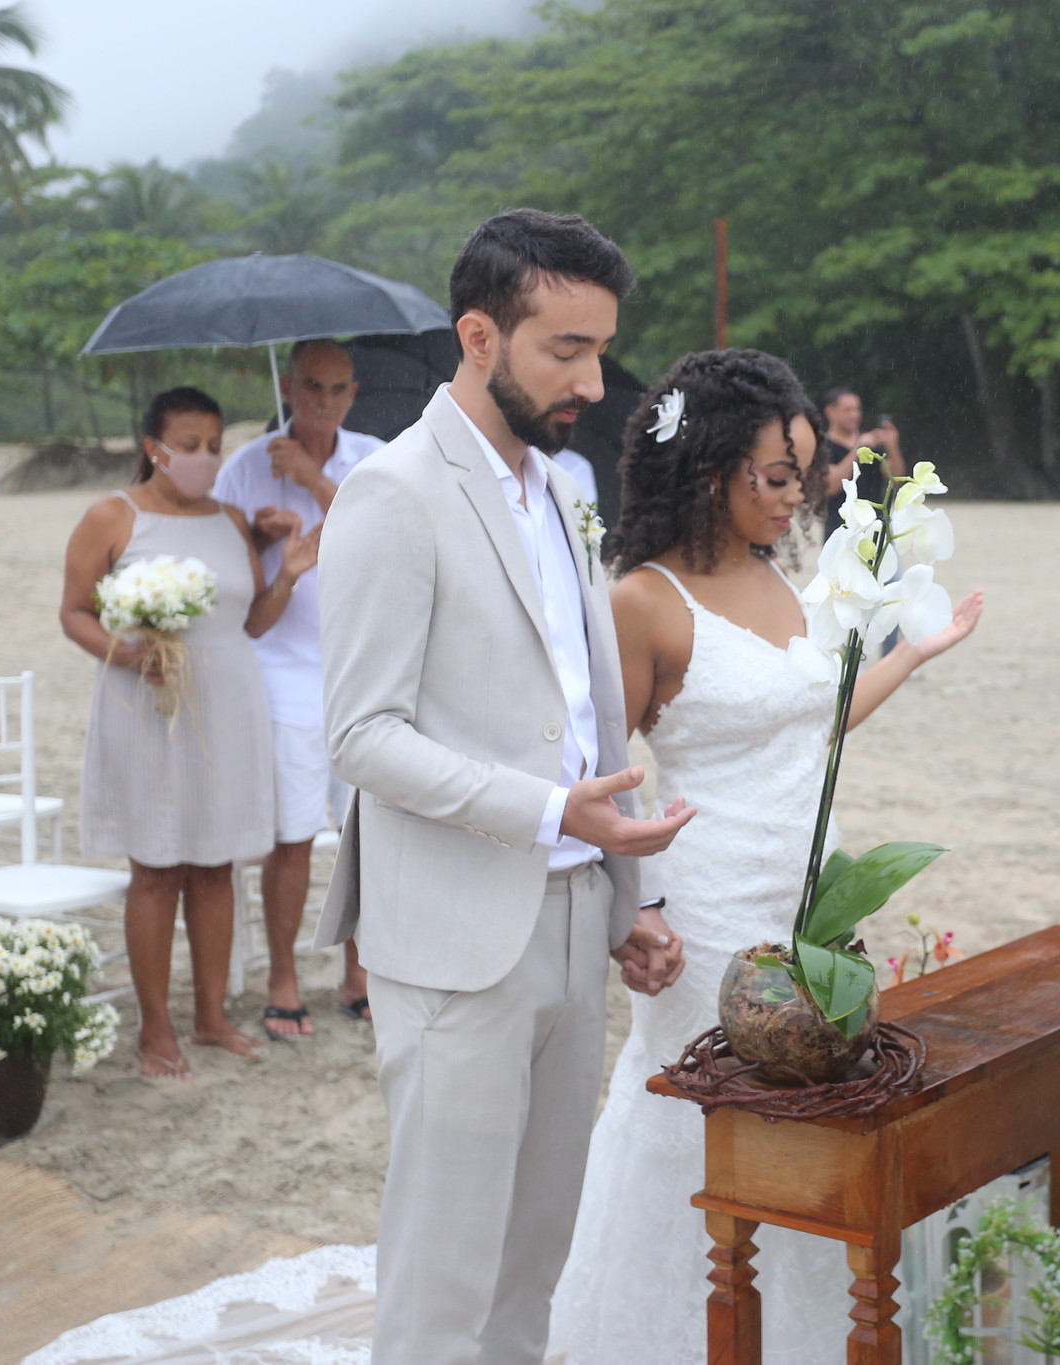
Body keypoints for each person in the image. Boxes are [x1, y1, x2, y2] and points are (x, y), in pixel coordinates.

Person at [547, 348, 982, 1364]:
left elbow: (815, 728)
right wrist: (636, 911)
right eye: (779, 476)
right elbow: (601, 777)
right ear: (708, 471)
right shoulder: (641, 603)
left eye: (801, 473)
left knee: (807, 1135)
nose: (801, 496)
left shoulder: (779, 578)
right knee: (701, 1133)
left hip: (812, 914)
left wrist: (913, 651)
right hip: (702, 920)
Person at [315, 208, 696, 1365]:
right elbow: (360, 735)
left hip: (577, 923)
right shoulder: (393, 493)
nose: (590, 377)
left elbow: (589, 719)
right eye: (562, 349)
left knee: (536, 1256)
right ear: (478, 336)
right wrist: (543, 815)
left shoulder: (560, 491)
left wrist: (632, 899)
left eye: (599, 348)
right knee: (445, 1274)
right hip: (454, 937)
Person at [60, 386, 321, 1079]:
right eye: (191, 445)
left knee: (215, 863)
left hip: (228, 702)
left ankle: (210, 1017)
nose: (206, 457)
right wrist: (128, 651)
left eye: (214, 444)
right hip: (145, 704)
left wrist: (289, 575)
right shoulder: (111, 516)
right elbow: (75, 612)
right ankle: (155, 1029)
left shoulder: (232, 520)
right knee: (155, 867)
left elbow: (252, 622)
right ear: (155, 448)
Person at [211, 338, 385, 1037]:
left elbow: (386, 537)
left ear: (353, 393)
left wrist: (315, 481)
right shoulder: (245, 468)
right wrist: (257, 536)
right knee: (290, 836)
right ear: (287, 386)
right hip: (280, 670)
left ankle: (359, 968)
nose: (323, 400)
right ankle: (284, 974)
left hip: (360, 667)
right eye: (311, 385)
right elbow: (220, 565)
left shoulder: (373, 457)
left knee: (365, 830)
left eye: (338, 388)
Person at [819, 384, 906, 538]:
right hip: (840, 532)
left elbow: (895, 478)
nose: (855, 415)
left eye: (857, 409)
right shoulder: (822, 446)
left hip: (877, 529)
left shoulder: (872, 443)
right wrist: (857, 450)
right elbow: (831, 485)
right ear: (830, 412)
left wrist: (892, 446)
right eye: (848, 410)